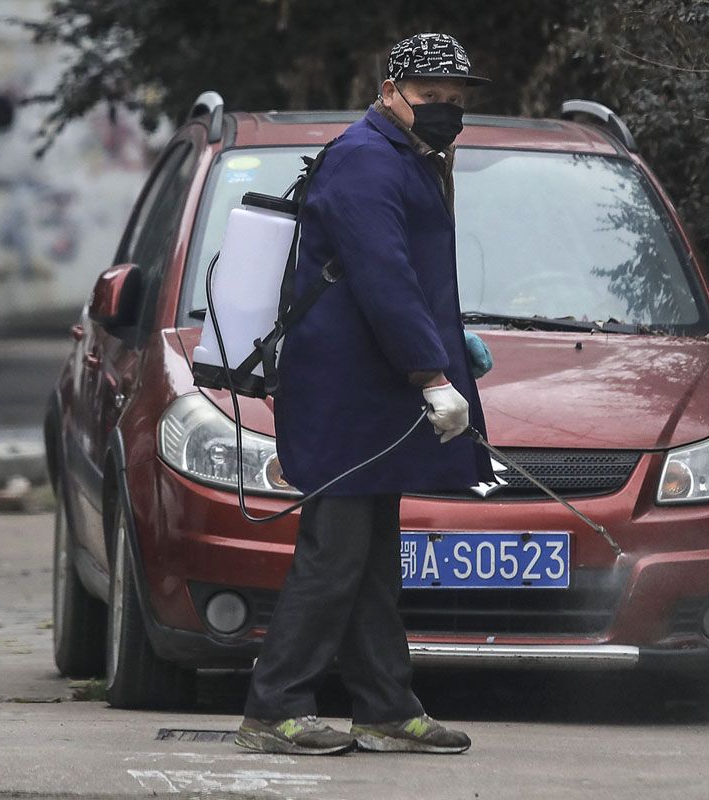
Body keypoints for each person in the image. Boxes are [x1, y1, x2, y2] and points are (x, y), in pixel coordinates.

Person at [235, 33, 494, 756]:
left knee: (370, 560)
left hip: (369, 393)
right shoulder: (365, 160)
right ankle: (273, 709)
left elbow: (408, 277)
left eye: (455, 100)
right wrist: (433, 374)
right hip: (345, 397)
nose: (445, 110)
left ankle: (384, 709)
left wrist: (450, 343)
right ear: (389, 93)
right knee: (334, 556)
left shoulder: (406, 157)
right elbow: (384, 278)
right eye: (429, 96)